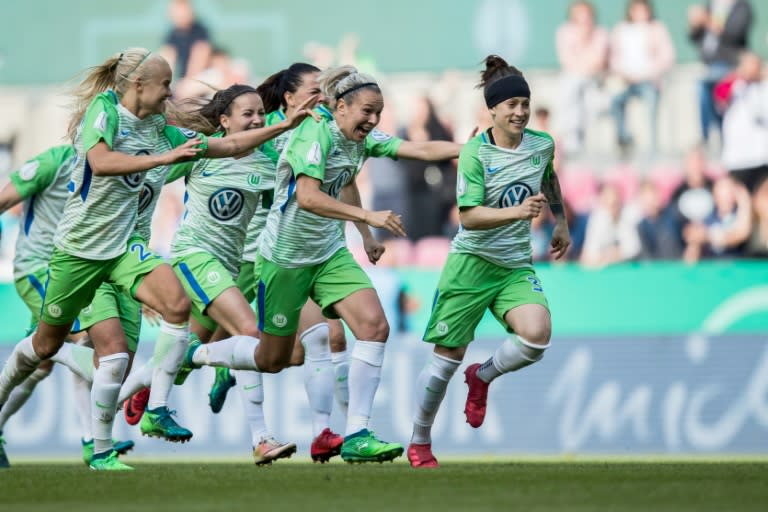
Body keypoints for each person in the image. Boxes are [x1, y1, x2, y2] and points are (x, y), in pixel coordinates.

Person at [0, 48, 315, 470]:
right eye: (165, 84)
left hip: (127, 249)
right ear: (138, 85)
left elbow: (229, 145)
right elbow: (101, 161)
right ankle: (43, 372)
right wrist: (164, 159)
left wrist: (285, 127)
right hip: (81, 250)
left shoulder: (160, 130)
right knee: (49, 346)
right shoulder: (106, 109)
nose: (170, 93)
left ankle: (122, 434)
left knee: (154, 324)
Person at [180, 65, 462, 463]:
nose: (373, 119)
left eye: (378, 112)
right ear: (341, 106)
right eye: (366, 110)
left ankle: (356, 434)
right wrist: (369, 220)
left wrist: (475, 149)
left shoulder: (358, 137)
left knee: (373, 326)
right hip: (285, 259)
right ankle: (198, 355)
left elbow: (419, 149)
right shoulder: (313, 132)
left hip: (329, 254)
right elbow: (308, 197)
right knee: (272, 359)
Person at [407, 55, 570, 468]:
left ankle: (482, 376)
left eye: (524, 104)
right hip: (470, 264)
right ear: (492, 110)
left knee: (536, 337)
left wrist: (561, 222)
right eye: (511, 105)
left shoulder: (542, 144)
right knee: (445, 362)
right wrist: (518, 213)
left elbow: (548, 178)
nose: (519, 112)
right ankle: (420, 440)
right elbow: (469, 216)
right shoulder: (476, 154)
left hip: (514, 265)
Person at [0, 146, 134, 468]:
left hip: (77, 270)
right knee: (85, 339)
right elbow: (4, 199)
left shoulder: (115, 165)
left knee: (41, 363)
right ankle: (93, 441)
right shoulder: (53, 162)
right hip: (39, 268)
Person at [608, 0, 674, 154]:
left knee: (651, 103)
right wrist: (623, 73)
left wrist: (648, 73)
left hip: (648, 80)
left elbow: (667, 56)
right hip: (625, 80)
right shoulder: (621, 29)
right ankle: (624, 138)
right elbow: (613, 57)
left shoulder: (657, 28)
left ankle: (652, 147)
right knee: (614, 101)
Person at [688, 0, 753, 145]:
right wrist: (695, 23)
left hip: (730, 66)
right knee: (705, 92)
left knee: (709, 89)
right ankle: (710, 134)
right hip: (709, 66)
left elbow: (735, 34)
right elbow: (695, 37)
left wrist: (708, 21)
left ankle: (715, 134)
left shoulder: (741, 7)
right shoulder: (711, 5)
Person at [555, 0, 609, 155]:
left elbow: (598, 61)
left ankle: (586, 144)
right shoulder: (564, 32)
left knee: (589, 100)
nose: (583, 19)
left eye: (586, 15)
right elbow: (566, 60)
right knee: (572, 89)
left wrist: (586, 41)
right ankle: (571, 142)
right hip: (574, 80)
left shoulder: (601, 33)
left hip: (596, 81)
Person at [719, 52, 768, 193]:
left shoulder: (764, 86)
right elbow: (720, 94)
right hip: (738, 158)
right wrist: (738, 76)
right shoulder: (735, 85)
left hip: (761, 157)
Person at [159, 0, 212, 80]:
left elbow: (198, 61)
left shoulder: (200, 31)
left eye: (182, 11)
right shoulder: (172, 35)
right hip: (185, 79)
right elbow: (167, 59)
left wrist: (187, 82)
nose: (179, 15)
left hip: (204, 75)